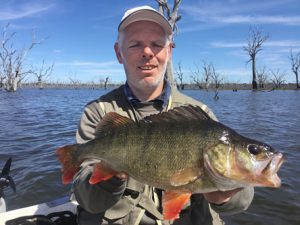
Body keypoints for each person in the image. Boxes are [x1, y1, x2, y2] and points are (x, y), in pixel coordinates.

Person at [73, 5, 254, 225]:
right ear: (119, 53)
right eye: (135, 44)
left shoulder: (200, 116)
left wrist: (225, 196)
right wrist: (111, 174)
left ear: (169, 52)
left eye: (157, 44)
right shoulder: (99, 112)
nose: (147, 52)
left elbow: (243, 200)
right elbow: (87, 199)